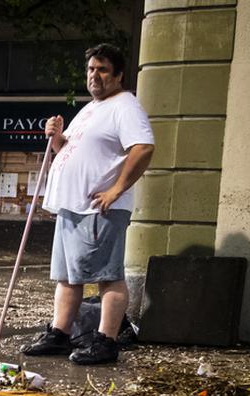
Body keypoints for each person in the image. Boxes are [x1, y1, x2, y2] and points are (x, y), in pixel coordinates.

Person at [22, 43, 154, 365]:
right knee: (68, 277)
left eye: (103, 69)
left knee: (108, 275)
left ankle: (106, 341)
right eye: (91, 69)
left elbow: (143, 148)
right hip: (73, 208)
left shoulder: (124, 106)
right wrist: (55, 138)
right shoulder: (91, 108)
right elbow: (69, 151)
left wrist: (115, 190)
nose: (95, 75)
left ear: (118, 75)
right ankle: (60, 333)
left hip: (99, 209)